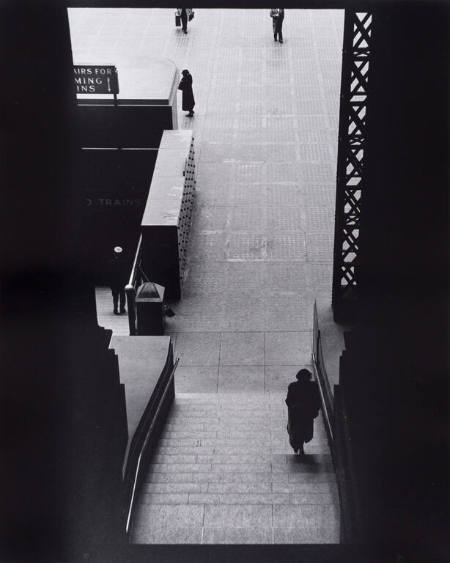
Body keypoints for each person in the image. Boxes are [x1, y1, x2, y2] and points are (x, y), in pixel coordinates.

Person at [285, 369, 321, 455]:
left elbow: (288, 400)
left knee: (296, 431)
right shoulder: (313, 386)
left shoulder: (293, 386)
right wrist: (315, 410)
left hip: (296, 413)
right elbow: (317, 400)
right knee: (305, 430)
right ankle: (300, 447)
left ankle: (297, 446)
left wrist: (293, 406)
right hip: (306, 413)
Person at [109, 246, 127, 315]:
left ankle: (115, 309)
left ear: (114, 253)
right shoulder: (124, 262)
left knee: (115, 296)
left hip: (114, 282)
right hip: (122, 282)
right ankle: (122, 308)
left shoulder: (111, 262)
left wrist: (110, 283)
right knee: (122, 296)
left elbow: (109, 274)